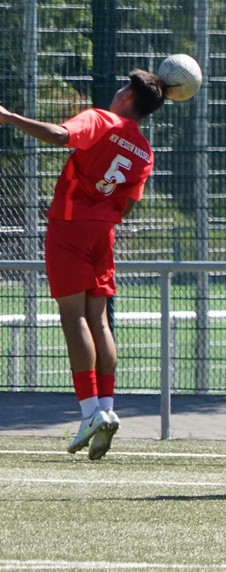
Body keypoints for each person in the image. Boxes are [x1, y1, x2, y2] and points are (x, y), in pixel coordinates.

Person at [0, 71, 165, 460]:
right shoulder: (144, 151)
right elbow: (127, 205)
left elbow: (60, 136)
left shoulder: (101, 119)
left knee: (72, 317)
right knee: (99, 320)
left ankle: (90, 412)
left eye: (123, 87)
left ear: (128, 96)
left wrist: (8, 117)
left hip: (70, 226)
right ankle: (106, 406)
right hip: (103, 232)